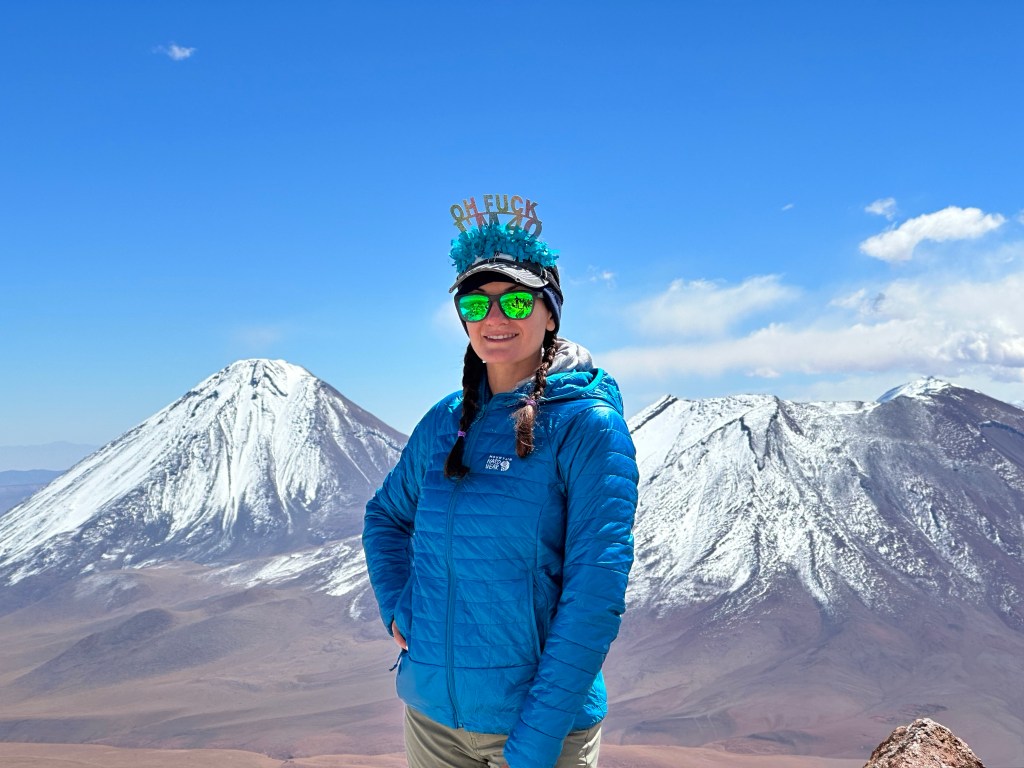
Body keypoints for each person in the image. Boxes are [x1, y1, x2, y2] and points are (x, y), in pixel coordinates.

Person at [362, 198, 638, 768]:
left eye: (516, 300)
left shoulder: (587, 426)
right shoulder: (445, 420)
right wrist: (399, 605)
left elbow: (594, 595)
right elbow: (385, 516)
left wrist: (537, 741)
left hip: (537, 728)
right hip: (433, 720)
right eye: (475, 303)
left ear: (550, 314)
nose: (494, 318)